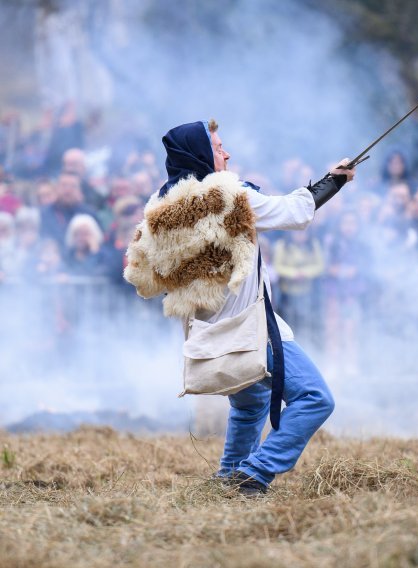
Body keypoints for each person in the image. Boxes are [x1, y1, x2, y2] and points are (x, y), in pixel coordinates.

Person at [124, 119, 355, 496]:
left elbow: (141, 278)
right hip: (248, 327)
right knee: (315, 398)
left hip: (207, 330)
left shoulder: (161, 209)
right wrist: (334, 180)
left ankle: (228, 481)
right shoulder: (228, 197)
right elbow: (292, 212)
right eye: (217, 147)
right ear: (200, 153)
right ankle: (254, 472)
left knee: (253, 403)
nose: (226, 153)